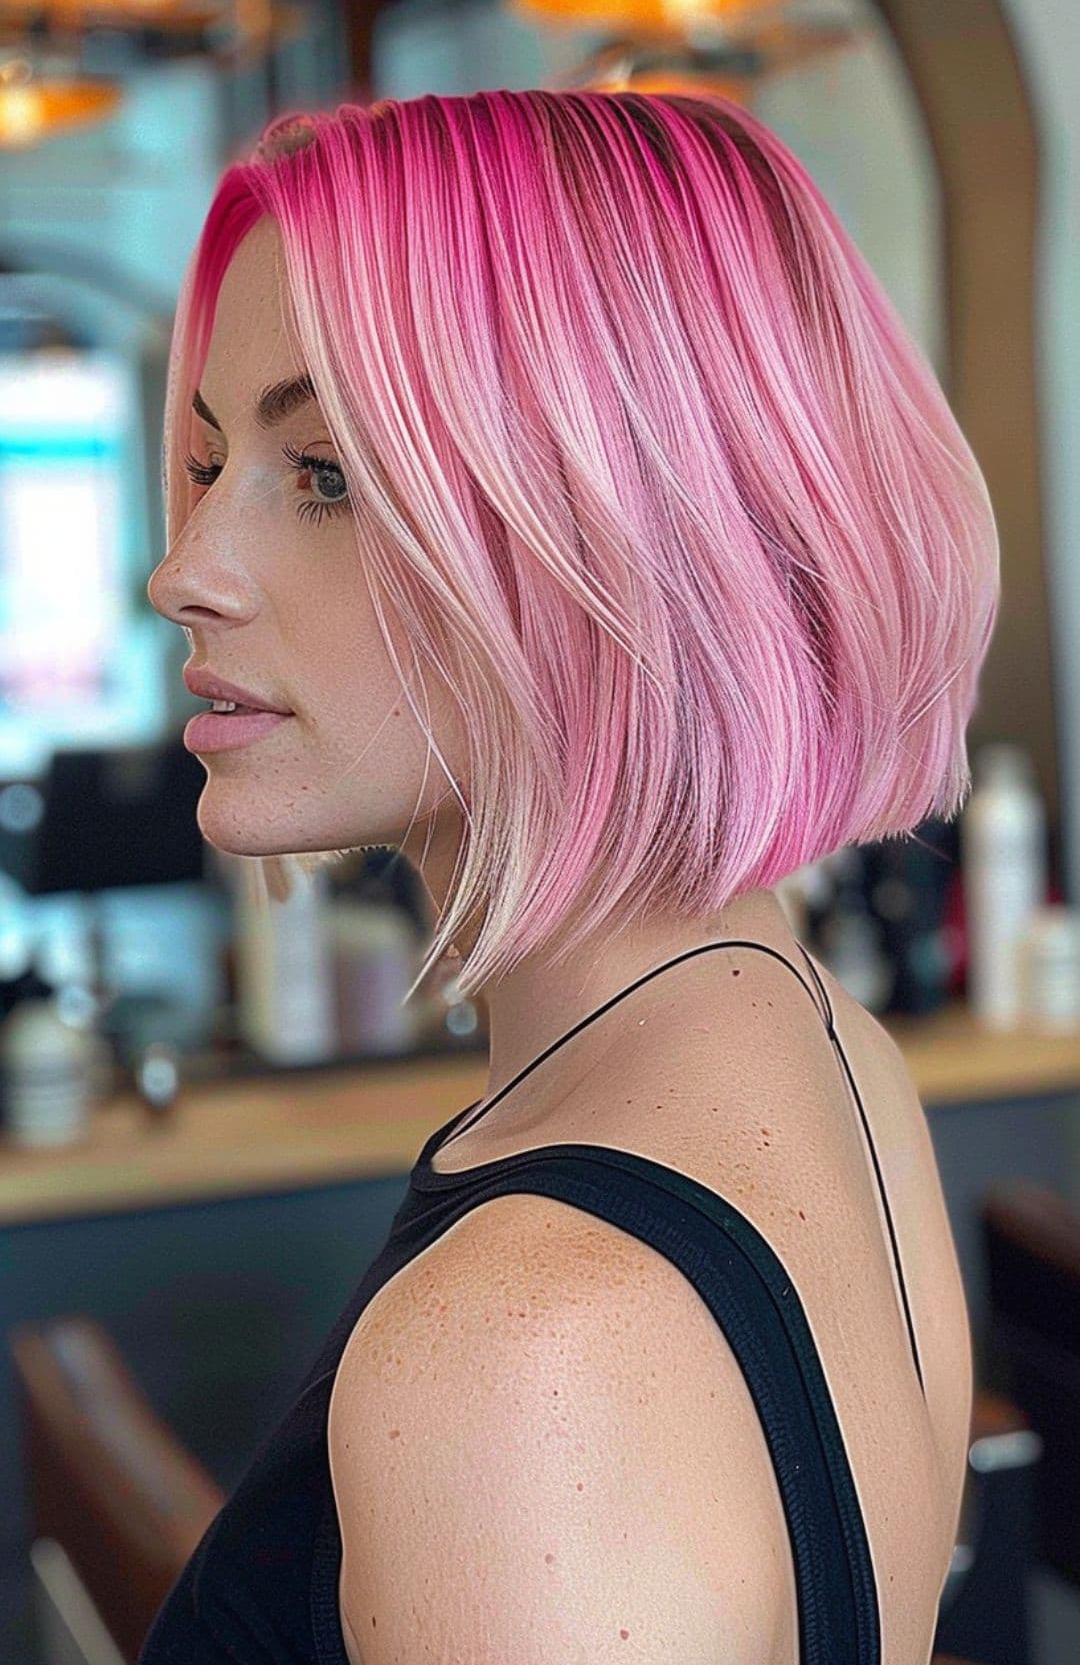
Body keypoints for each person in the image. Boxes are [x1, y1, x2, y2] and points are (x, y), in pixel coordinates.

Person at [143, 88, 998, 1663]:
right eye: (208, 464)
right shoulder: (827, 1049)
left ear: (628, 530)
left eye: (322, 472)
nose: (184, 568)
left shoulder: (524, 1361)